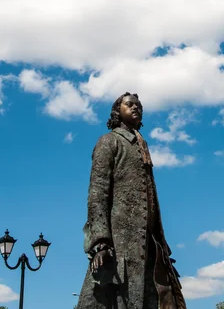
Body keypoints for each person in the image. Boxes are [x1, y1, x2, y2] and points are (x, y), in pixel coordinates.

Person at [76, 92, 186, 309]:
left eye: (138, 105)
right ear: (118, 111)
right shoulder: (109, 142)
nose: (136, 108)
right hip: (120, 244)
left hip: (149, 248)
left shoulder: (142, 146)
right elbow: (97, 192)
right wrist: (100, 243)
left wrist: (162, 249)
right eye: (129, 104)